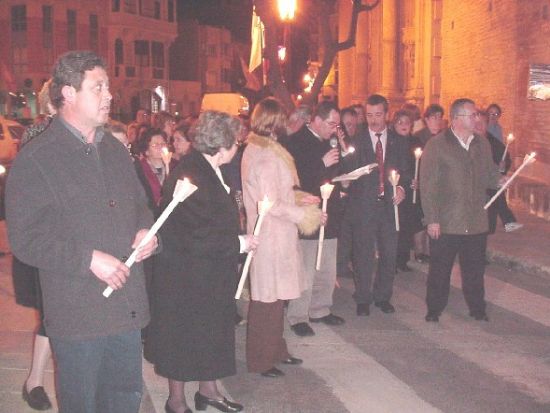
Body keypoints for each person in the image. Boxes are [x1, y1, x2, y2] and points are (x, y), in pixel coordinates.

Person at [5, 50, 158, 413]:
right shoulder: (37, 158)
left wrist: (146, 232)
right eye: (98, 87)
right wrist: (88, 259)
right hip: (78, 315)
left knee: (124, 402)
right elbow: (26, 239)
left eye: (108, 87)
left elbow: (141, 206)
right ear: (68, 94)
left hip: (127, 310)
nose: (109, 96)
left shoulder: (116, 151)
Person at [147, 110, 256, 413]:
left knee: (212, 333)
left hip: (210, 273)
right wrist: (238, 243)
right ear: (222, 146)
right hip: (185, 276)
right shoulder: (189, 175)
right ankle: (176, 401)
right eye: (236, 141)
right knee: (182, 338)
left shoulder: (210, 168)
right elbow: (191, 237)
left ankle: (208, 391)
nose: (238, 146)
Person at [242, 97, 321, 377]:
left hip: (277, 235)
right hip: (270, 237)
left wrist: (300, 198)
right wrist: (304, 215)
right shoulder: (264, 155)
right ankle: (261, 359)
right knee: (266, 302)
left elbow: (280, 193)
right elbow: (269, 202)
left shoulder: (267, 150)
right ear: (275, 121)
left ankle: (276, 349)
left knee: (276, 301)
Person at [420, 98, 503, 323]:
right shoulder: (437, 145)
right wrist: (432, 219)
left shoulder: (482, 144)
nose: (477, 118)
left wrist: (500, 179)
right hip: (446, 221)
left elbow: (488, 175)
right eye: (472, 115)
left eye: (477, 114)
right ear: (456, 118)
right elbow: (427, 185)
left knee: (474, 270)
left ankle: (478, 308)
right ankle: (434, 308)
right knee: (440, 270)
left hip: (475, 219)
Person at [341, 94, 411, 316]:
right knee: (363, 254)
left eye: (378, 115)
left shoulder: (398, 141)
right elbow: (348, 171)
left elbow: (406, 171)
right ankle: (363, 297)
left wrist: (402, 188)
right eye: (369, 115)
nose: (373, 120)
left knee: (389, 253)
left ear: (387, 114)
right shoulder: (357, 141)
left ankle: (383, 296)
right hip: (364, 206)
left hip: (389, 205)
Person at [283, 101, 346, 337]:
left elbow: (334, 173)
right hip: (307, 213)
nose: (334, 128)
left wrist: (344, 179)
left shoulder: (329, 142)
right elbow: (294, 179)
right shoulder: (296, 142)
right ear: (316, 120)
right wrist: (322, 163)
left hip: (331, 211)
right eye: (331, 123)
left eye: (337, 124)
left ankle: (320, 308)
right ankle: (298, 315)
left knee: (327, 266)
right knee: (306, 268)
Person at [12, 79, 55, 411]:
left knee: (57, 316)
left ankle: (36, 380)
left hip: (72, 242)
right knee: (51, 315)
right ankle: (35, 380)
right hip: (47, 244)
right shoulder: (37, 137)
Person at [475, 111, 523, 233]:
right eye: (476, 123)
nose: (478, 126)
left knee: (494, 203)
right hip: (472, 191)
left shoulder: (495, 144)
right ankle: (509, 221)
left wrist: (501, 169)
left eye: (482, 123)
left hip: (490, 185)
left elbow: (504, 161)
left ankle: (506, 222)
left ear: (487, 125)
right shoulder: (465, 142)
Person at [412, 103, 445, 263]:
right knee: (420, 219)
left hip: (439, 185)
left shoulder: (445, 138)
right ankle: (420, 251)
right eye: (434, 117)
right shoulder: (418, 137)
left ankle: (435, 251)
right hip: (421, 184)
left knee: (436, 218)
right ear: (426, 119)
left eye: (440, 117)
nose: (437, 121)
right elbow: (413, 161)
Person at [391, 110, 423, 272]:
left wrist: (419, 181)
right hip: (396, 187)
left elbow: (420, 164)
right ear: (394, 124)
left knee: (407, 226)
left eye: (407, 122)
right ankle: (393, 260)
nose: (404, 125)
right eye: (400, 122)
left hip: (411, 189)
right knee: (395, 225)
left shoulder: (415, 141)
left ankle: (402, 259)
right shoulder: (391, 141)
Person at [134, 128, 169, 213]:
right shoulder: (140, 169)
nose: (160, 147)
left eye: (163, 144)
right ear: (146, 151)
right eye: (155, 145)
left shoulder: (174, 165)